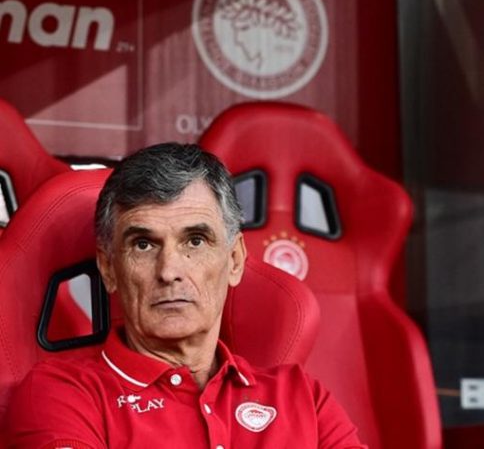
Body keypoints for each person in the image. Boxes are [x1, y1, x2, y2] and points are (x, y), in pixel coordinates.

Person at [6, 143, 366, 448]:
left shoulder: (305, 399)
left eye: (195, 241)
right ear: (109, 269)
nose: (169, 271)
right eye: (143, 244)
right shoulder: (59, 396)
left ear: (234, 260)